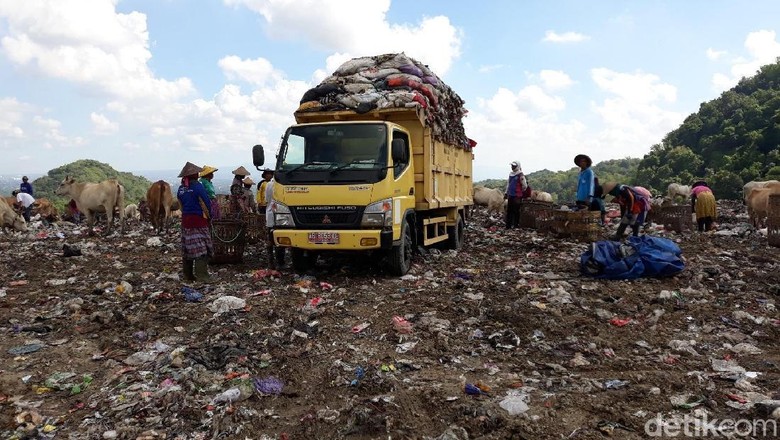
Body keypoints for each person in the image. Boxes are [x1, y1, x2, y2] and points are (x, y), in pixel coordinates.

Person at [177, 162, 213, 282]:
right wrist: (210, 216)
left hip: (186, 222)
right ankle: (202, 275)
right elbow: (206, 202)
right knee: (201, 248)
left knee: (188, 248)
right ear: (194, 175)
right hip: (198, 221)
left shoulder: (181, 188)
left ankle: (188, 275)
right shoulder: (198, 187)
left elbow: (181, 205)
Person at [264, 172, 286, 269]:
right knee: (279, 242)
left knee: (270, 241)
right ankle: (280, 262)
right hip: (280, 217)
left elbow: (267, 199)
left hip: (270, 215)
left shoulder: (269, 184)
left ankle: (270, 262)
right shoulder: (282, 185)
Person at [504, 161, 529, 229]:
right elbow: (508, 184)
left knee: (516, 211)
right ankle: (508, 225)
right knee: (509, 211)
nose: (512, 167)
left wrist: (520, 191)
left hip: (517, 196)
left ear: (517, 166)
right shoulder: (511, 174)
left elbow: (524, 185)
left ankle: (515, 225)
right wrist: (506, 193)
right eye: (512, 166)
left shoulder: (520, 175)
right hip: (511, 195)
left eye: (514, 166)